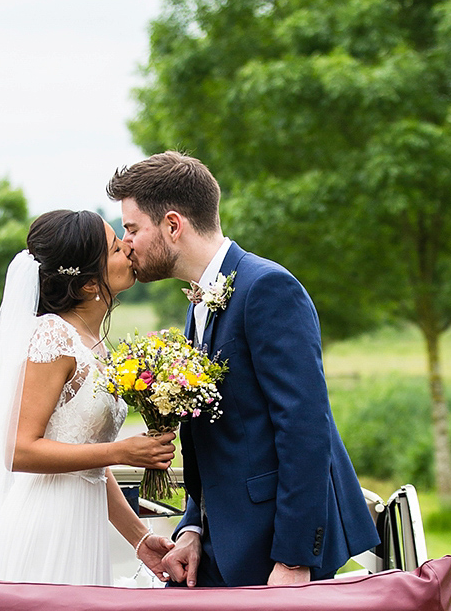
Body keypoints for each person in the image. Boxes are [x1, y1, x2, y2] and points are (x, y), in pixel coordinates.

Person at [106, 152, 379, 588]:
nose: (126, 242)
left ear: (173, 225)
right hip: (224, 544)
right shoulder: (200, 302)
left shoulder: (267, 288)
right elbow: (217, 436)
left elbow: (304, 429)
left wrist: (292, 560)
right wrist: (193, 528)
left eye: (133, 228)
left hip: (275, 551)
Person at [0, 209, 177, 585]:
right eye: (115, 248)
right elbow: (18, 450)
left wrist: (139, 538)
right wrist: (120, 452)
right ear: (90, 284)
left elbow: (85, 464)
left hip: (82, 525)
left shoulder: (95, 345)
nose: (128, 248)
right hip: (46, 526)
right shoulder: (52, 337)